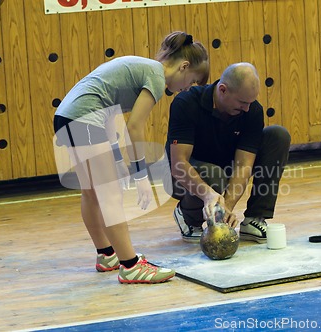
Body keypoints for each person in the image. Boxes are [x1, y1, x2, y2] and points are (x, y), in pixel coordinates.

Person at [53, 31, 209, 283]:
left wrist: (116, 157)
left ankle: (107, 255)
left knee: (92, 192)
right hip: (84, 119)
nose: (186, 89)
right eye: (191, 81)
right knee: (110, 194)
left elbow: (108, 113)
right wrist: (141, 177)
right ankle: (130, 266)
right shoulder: (156, 77)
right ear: (184, 66)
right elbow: (135, 127)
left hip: (67, 116)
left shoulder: (145, 69)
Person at [164, 62, 291, 243]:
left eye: (250, 102)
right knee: (214, 174)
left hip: (224, 168)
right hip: (180, 174)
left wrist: (227, 207)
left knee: (278, 135)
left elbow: (244, 165)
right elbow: (178, 164)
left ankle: (254, 219)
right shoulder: (186, 103)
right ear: (222, 90)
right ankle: (188, 216)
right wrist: (208, 194)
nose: (247, 108)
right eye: (242, 102)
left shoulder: (252, 110)